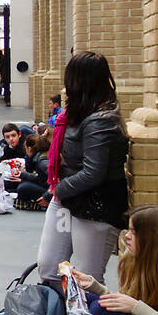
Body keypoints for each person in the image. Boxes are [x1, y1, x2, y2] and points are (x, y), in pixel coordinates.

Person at [36, 51, 130, 287]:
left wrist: (59, 189)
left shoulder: (101, 120)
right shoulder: (77, 114)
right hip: (69, 199)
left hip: (95, 205)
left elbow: (93, 172)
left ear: (79, 81)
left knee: (87, 280)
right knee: (49, 267)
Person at [13, 133, 51, 210]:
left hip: (52, 192)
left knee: (23, 187)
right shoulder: (40, 158)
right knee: (22, 182)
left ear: (29, 149)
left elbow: (57, 180)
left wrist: (47, 196)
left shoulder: (43, 163)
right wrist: (23, 175)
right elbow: (41, 178)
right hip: (47, 186)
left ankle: (41, 204)